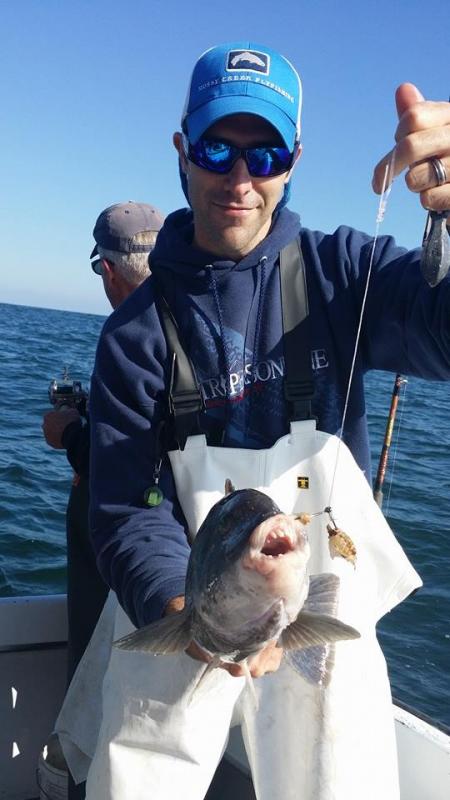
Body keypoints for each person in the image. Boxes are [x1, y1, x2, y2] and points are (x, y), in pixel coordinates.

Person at [61, 42, 450, 800]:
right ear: (183, 151)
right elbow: (128, 508)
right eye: (217, 149)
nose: (239, 179)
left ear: (293, 160)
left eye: (264, 154)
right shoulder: (135, 335)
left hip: (317, 603)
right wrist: (190, 610)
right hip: (181, 601)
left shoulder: (344, 274)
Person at [42, 200, 165, 799]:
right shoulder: (201, 318)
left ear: (107, 268)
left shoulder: (128, 332)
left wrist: (70, 435)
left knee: (96, 689)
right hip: (177, 561)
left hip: (122, 556)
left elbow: (129, 463)